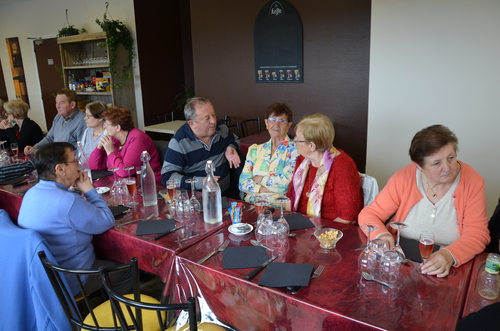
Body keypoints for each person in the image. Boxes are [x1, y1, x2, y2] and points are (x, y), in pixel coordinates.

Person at [359, 124, 490, 277]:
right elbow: (370, 214)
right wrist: (381, 235)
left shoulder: (473, 181)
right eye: (436, 163)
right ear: (419, 167)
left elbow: (478, 233)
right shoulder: (403, 177)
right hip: (402, 259)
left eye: (451, 158)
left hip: (448, 263)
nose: (447, 168)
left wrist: (449, 255)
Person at [17, 142, 130, 296]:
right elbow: (106, 220)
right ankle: (117, 316)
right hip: (73, 279)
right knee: (128, 271)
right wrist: (90, 191)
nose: (79, 165)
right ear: (60, 169)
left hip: (43, 279)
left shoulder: (31, 193)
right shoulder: (66, 201)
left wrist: (73, 191)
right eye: (75, 161)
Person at [286, 113, 363, 224]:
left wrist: (315, 234)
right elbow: (290, 198)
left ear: (312, 146)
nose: (294, 141)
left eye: (298, 138)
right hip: (299, 226)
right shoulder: (302, 161)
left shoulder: (343, 166)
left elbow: (347, 218)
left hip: (328, 231)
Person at [161, 97, 241, 192]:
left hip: (228, 193)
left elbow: (235, 140)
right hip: (198, 196)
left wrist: (231, 147)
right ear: (192, 124)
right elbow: (167, 177)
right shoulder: (179, 143)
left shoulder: (222, 129)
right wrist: (201, 182)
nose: (213, 121)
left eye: (213, 115)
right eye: (207, 118)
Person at [239, 102, 298, 207]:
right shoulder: (255, 150)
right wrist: (264, 189)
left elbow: (286, 185)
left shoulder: (295, 151)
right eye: (272, 120)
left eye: (281, 121)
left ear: (288, 125)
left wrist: (260, 179)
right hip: (251, 206)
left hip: (278, 209)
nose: (276, 125)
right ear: (266, 123)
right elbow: (242, 183)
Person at [89, 106, 161, 181]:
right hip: (121, 182)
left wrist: (110, 152)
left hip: (147, 184)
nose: (104, 127)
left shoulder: (138, 139)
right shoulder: (114, 139)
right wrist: (99, 147)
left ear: (118, 127)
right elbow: (95, 167)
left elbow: (125, 172)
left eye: (107, 124)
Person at [24, 88, 86, 155]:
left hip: (68, 161)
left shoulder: (83, 121)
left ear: (72, 105)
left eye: (61, 103)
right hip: (55, 158)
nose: (57, 106)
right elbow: (49, 138)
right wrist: (35, 147)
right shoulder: (58, 117)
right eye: (56, 102)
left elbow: (82, 150)